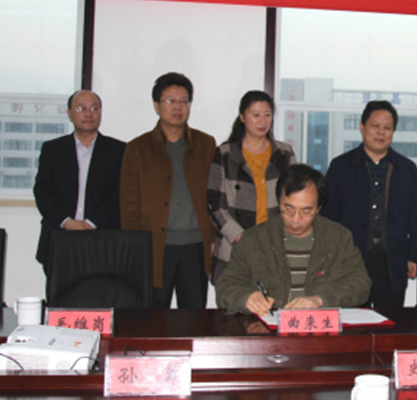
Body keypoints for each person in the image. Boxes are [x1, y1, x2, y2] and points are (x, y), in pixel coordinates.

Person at [216, 164, 371, 315]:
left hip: (319, 327)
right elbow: (226, 286)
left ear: (318, 208)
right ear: (279, 202)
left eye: (306, 211)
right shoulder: (254, 239)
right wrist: (245, 298)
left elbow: (360, 284)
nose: (296, 219)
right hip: (269, 327)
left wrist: (320, 300)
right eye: (288, 209)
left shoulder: (338, 237)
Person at [121, 72, 216, 308]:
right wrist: (135, 247)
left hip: (196, 246)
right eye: (170, 101)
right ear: (156, 105)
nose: (178, 107)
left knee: (194, 318)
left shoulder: (205, 144)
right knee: (152, 317)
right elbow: (129, 205)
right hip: (155, 248)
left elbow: (216, 195)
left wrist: (215, 238)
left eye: (184, 101)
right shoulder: (137, 149)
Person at [322, 100, 417, 308]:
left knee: (391, 321)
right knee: (353, 320)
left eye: (387, 128)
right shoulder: (341, 166)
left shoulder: (406, 169)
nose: (381, 132)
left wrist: (413, 256)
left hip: (393, 258)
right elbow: (328, 217)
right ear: (362, 127)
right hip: (350, 258)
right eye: (375, 126)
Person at [207, 90, 296, 285]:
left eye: (267, 115)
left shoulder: (284, 153)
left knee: (273, 302)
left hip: (274, 246)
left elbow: (294, 199)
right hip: (234, 246)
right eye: (256, 115)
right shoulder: (224, 154)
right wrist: (242, 238)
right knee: (235, 301)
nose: (262, 121)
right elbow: (214, 206)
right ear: (242, 117)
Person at [33, 90, 125, 274]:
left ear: (100, 113)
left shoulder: (119, 150)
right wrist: (66, 222)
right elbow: (42, 191)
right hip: (59, 238)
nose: (88, 114)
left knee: (100, 291)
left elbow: (121, 193)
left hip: (103, 238)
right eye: (81, 108)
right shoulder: (53, 149)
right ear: (69, 113)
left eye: (94, 108)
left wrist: (92, 223)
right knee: (59, 292)